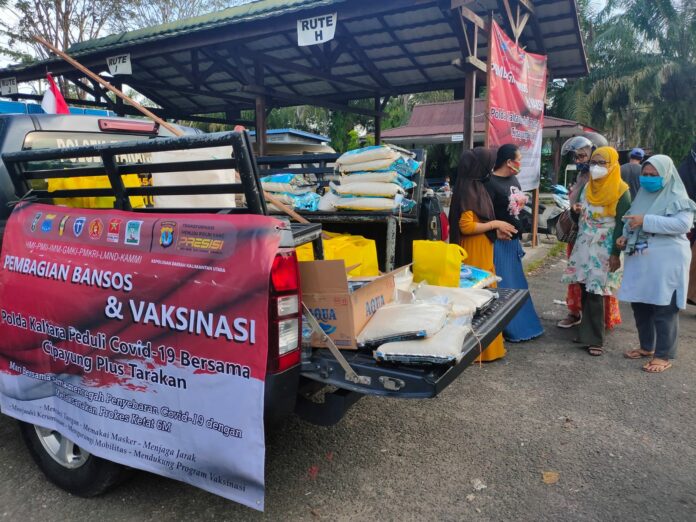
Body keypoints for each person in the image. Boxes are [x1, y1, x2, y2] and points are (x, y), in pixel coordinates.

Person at [617, 155, 696, 372]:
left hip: (667, 260)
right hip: (641, 259)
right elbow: (630, 221)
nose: (648, 178)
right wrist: (624, 235)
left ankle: (663, 355)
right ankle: (646, 347)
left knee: (664, 307)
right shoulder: (642, 196)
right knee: (640, 304)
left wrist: (646, 220)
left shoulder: (678, 197)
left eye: (654, 175)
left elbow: (682, 225)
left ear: (667, 176)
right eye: (645, 174)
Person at [449, 147, 517, 361]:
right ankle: (478, 351)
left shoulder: (474, 186)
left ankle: (488, 349)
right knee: (478, 297)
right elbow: (467, 226)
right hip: (474, 252)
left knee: (485, 295)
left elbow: (479, 221)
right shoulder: (469, 189)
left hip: (481, 248)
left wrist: (495, 230)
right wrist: (496, 224)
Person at [561, 147, 630, 356]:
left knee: (596, 291)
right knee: (584, 287)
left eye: (602, 163)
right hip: (584, 243)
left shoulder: (621, 190)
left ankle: (595, 339)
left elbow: (621, 225)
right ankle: (586, 333)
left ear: (613, 165)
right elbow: (581, 213)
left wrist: (615, 253)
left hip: (604, 245)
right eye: (594, 162)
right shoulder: (588, 187)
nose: (596, 167)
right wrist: (575, 211)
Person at [484, 144, 544, 342]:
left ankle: (525, 325)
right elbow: (485, 215)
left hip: (513, 241)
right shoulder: (489, 183)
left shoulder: (514, 179)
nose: (520, 163)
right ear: (508, 161)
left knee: (517, 284)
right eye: (518, 160)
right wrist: (495, 230)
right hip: (499, 243)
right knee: (504, 285)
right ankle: (508, 328)